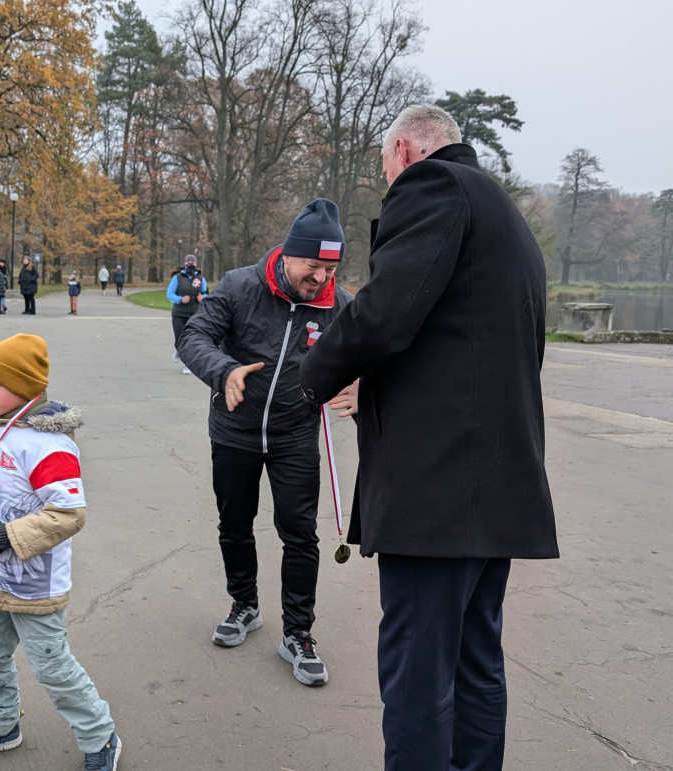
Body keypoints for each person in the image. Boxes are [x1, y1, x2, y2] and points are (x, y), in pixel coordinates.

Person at [299, 105, 558, 769]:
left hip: (438, 494)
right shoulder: (505, 215)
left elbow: (384, 311)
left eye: (387, 171)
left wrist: (313, 377)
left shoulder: (433, 188)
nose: (389, 187)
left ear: (407, 152)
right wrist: (380, 387)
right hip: (495, 486)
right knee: (475, 664)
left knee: (417, 677)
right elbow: (465, 345)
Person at [179, 199, 355, 687]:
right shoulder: (240, 286)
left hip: (296, 433)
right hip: (234, 432)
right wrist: (224, 370)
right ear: (288, 255)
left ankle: (298, 633)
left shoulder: (339, 305)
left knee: (300, 533)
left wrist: (363, 382)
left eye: (330, 268)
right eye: (312, 266)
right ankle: (245, 605)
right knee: (234, 523)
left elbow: (371, 356)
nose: (319, 277)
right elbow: (193, 339)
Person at [0, 334, 121, 770]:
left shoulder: (50, 445)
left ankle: (101, 738)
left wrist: (0, 537)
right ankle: (2, 724)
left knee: (52, 667)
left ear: (26, 387)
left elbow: (68, 514)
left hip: (35, 583)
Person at [167, 254, 208, 375]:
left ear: (196, 264)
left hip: (195, 314)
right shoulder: (177, 278)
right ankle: (178, 350)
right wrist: (180, 299)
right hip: (179, 314)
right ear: (184, 263)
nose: (190, 263)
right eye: (188, 261)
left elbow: (206, 293)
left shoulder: (200, 278)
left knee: (191, 340)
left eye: (193, 262)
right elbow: (169, 294)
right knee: (179, 339)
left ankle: (187, 364)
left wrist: (203, 298)